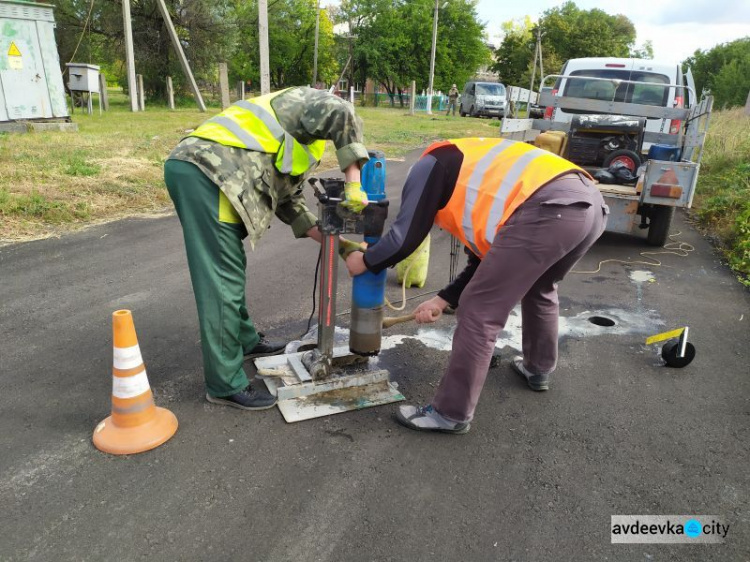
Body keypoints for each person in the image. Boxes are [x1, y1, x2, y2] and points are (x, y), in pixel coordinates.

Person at [344, 137, 609, 434]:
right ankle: (538, 369)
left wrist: (365, 262)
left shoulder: (429, 167)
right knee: (541, 288)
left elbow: (404, 238)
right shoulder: (473, 169)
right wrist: (441, 300)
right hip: (590, 206)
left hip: (548, 209)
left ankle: (450, 413)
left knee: (479, 311)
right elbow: (482, 265)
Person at [165, 86, 370, 411]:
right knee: (221, 280)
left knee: (229, 268)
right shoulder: (301, 102)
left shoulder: (299, 141)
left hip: (212, 171)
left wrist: (343, 248)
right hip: (208, 171)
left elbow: (290, 205)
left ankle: (245, 340)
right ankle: (224, 384)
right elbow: (341, 110)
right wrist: (354, 182)